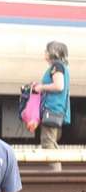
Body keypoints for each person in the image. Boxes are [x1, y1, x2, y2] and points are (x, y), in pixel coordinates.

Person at [33, 41, 70, 171]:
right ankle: (56, 172)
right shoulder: (60, 66)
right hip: (55, 108)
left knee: (48, 142)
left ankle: (56, 174)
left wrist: (41, 87)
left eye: (46, 51)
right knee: (52, 142)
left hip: (52, 109)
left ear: (53, 53)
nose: (45, 53)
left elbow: (59, 86)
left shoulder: (57, 66)